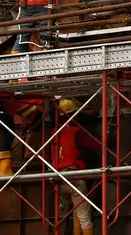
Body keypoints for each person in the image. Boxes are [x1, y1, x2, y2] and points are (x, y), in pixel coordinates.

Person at [51, 99, 100, 235]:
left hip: (59, 178)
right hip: (74, 176)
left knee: (77, 213)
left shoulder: (55, 132)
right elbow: (97, 145)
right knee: (85, 217)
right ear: (75, 115)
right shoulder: (76, 132)